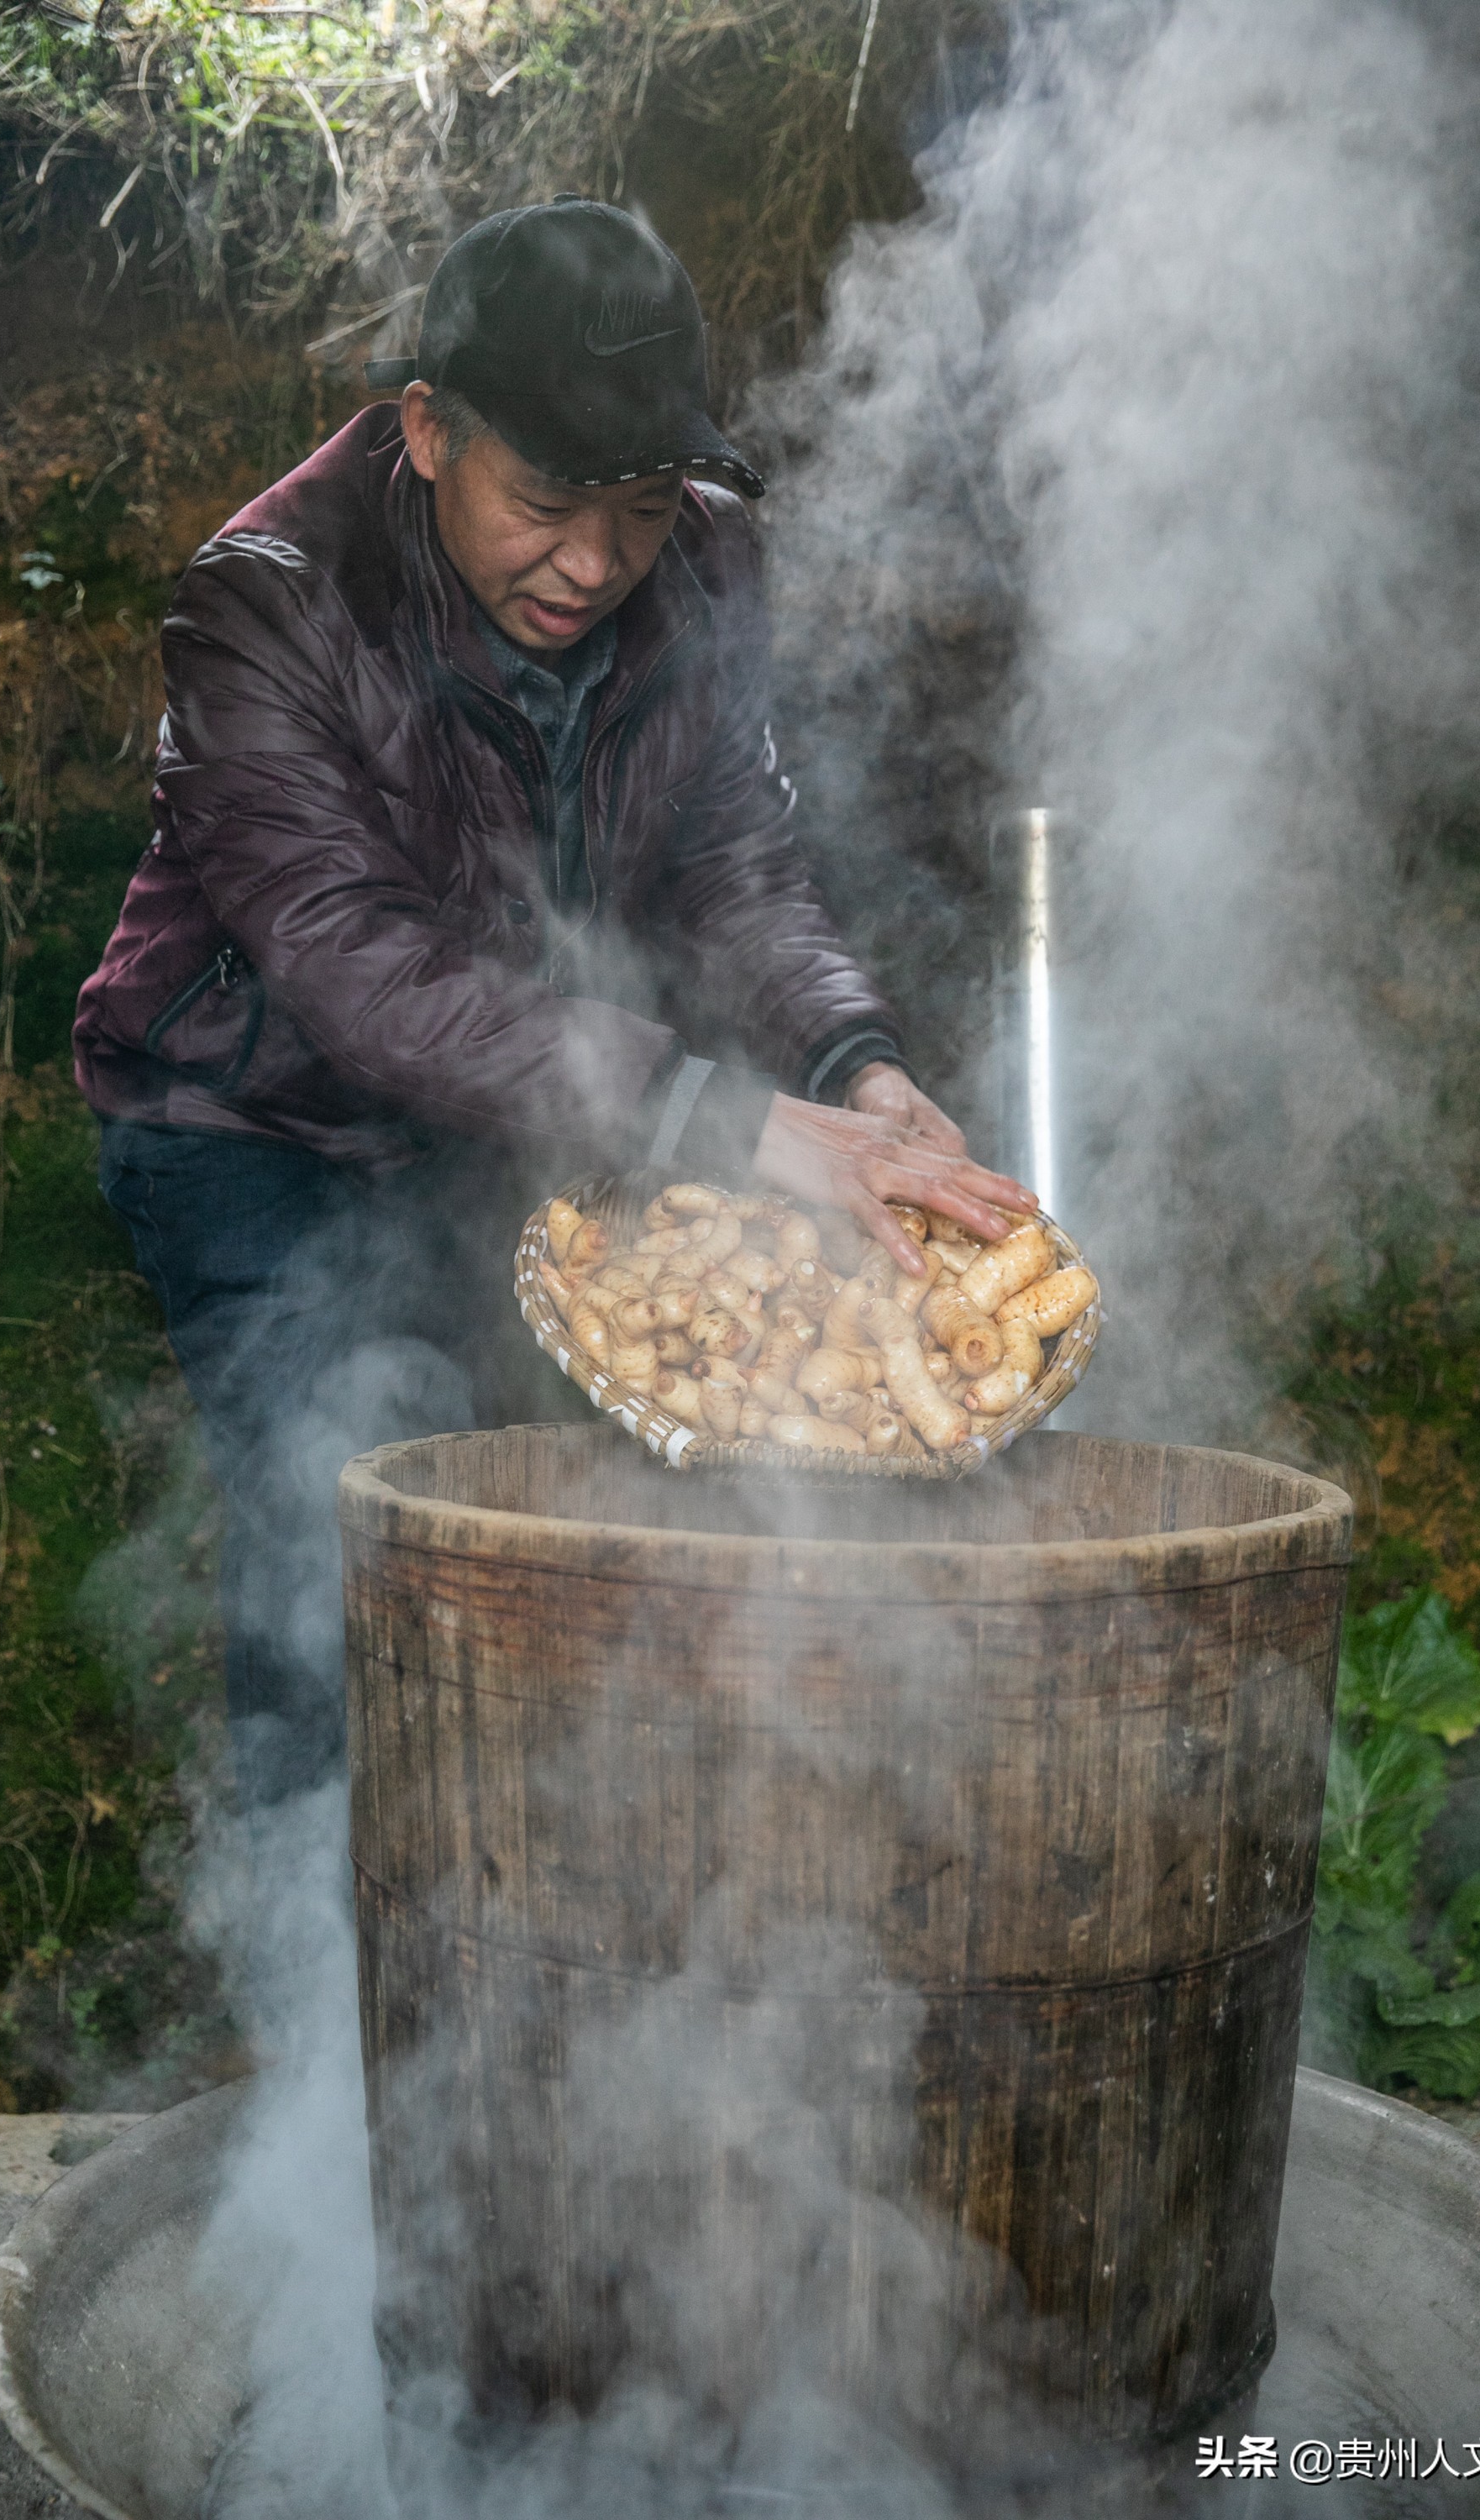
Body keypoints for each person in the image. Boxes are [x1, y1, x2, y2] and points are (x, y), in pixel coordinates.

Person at [75, 198, 1029, 1803]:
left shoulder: (709, 555)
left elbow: (737, 862)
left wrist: (853, 1062)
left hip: (540, 1107)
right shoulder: (265, 599)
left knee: (562, 1543)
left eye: (642, 508)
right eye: (552, 503)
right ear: (431, 429)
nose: (595, 564)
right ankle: (323, 1990)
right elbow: (359, 965)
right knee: (356, 1521)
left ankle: (540, 1970)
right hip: (257, 1122)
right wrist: (708, 1117)